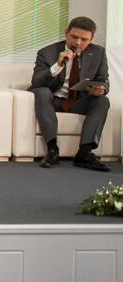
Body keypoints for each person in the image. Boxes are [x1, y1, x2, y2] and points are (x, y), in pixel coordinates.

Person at [29, 16, 110, 171]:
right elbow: (36, 82)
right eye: (74, 37)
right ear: (66, 33)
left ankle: (85, 153)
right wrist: (58, 65)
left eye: (84, 39)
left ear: (91, 39)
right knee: (42, 92)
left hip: (77, 101)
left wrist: (100, 89)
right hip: (52, 100)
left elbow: (104, 81)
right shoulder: (47, 52)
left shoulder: (98, 53)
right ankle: (52, 150)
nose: (78, 43)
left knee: (102, 100)